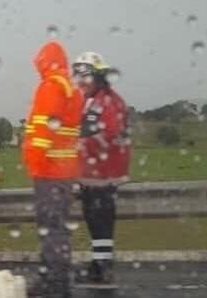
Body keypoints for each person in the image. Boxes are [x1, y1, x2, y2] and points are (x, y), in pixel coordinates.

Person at [22, 41, 83, 298]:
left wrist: (33, 163)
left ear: (46, 61)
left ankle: (55, 284)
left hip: (49, 171)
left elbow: (42, 133)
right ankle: (55, 280)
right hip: (65, 170)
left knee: (51, 228)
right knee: (56, 228)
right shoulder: (72, 89)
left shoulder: (51, 87)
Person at [72, 52, 131, 285]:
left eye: (83, 75)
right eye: (77, 75)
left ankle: (103, 268)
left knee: (101, 220)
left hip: (105, 173)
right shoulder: (93, 100)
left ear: (97, 76)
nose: (79, 81)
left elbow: (111, 133)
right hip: (92, 174)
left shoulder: (108, 101)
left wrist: (82, 144)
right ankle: (99, 266)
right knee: (95, 219)